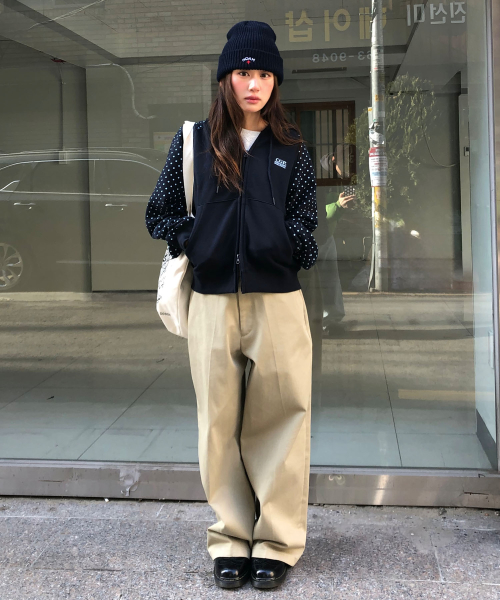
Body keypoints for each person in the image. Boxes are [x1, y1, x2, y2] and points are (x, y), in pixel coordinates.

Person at [145, 20, 318, 591]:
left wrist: (284, 245)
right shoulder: (194, 142)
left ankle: (277, 543)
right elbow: (159, 213)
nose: (254, 84)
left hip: (278, 303)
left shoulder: (292, 147)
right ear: (226, 78)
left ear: (275, 81)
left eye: (264, 74)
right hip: (213, 301)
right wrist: (198, 241)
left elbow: (306, 224)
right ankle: (230, 539)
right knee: (218, 425)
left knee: (283, 421)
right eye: (244, 73)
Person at [318, 145, 356, 334]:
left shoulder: (339, 178)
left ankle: (330, 319)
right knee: (323, 280)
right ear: (334, 161)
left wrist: (342, 206)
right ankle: (325, 321)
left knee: (331, 279)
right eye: (345, 164)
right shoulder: (320, 180)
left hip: (326, 235)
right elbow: (318, 213)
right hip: (316, 236)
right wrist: (338, 206)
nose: (348, 169)